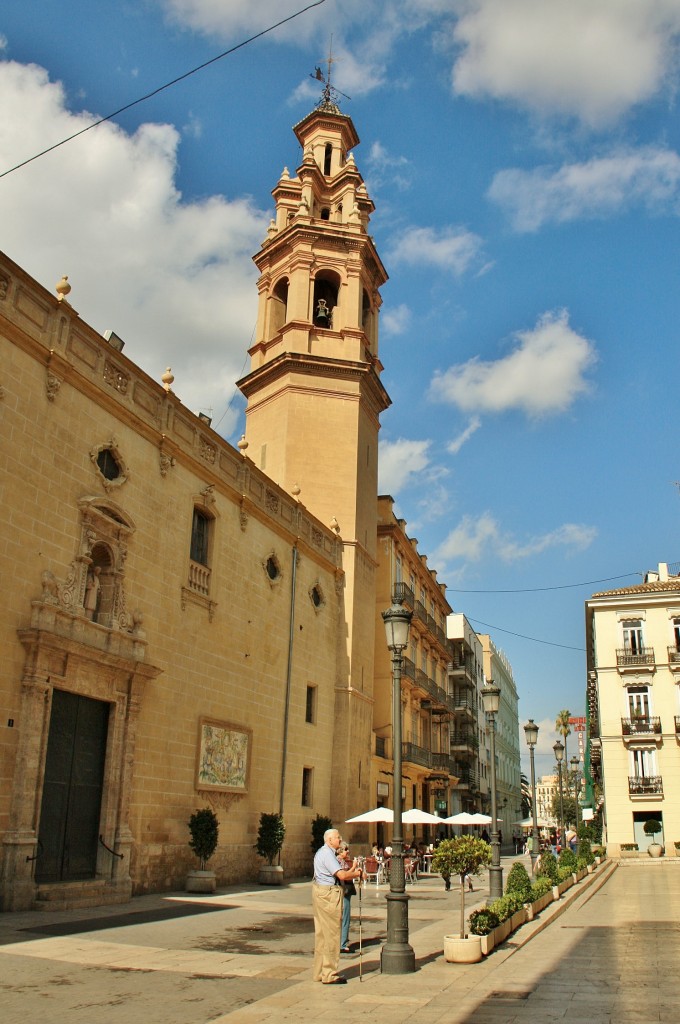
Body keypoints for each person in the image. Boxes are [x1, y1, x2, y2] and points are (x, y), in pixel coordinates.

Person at [312, 828, 362, 985]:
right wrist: (357, 874)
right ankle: (329, 974)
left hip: (320, 892)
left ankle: (320, 972)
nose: (340, 840)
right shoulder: (327, 854)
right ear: (329, 840)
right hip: (329, 894)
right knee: (332, 934)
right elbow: (341, 875)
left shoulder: (321, 852)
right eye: (337, 837)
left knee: (322, 935)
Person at [337, 842, 356, 953]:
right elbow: (345, 876)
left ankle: (343, 941)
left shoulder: (340, 861)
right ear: (340, 851)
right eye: (346, 849)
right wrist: (354, 867)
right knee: (345, 917)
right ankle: (342, 944)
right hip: (344, 892)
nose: (348, 851)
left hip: (344, 892)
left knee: (344, 918)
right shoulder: (339, 861)